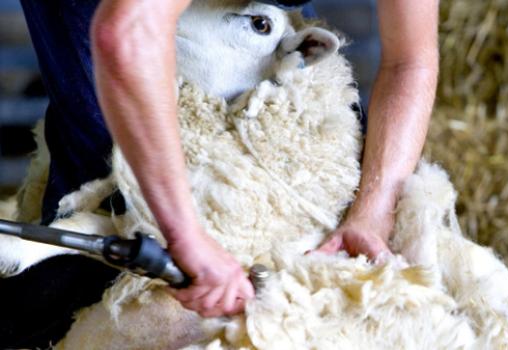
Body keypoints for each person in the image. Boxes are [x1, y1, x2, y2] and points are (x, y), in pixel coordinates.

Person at [0, 0, 438, 347]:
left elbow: (411, 59)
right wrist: (184, 233)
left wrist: (374, 207)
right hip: (118, 16)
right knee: (104, 158)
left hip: (232, 47)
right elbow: (126, 32)